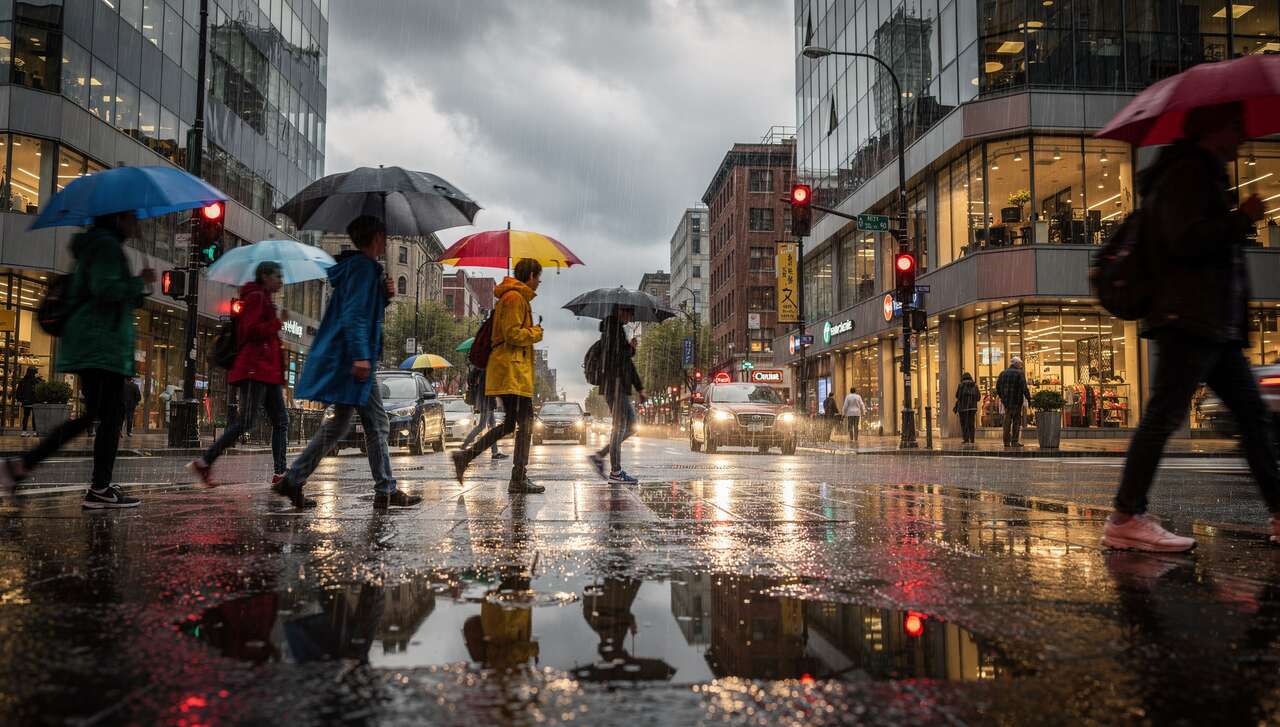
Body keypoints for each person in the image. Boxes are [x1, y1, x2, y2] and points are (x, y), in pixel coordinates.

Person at [1104, 102, 1280, 553]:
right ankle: (1126, 515)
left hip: (1210, 322)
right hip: (1190, 319)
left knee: (1252, 418)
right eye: (1235, 126)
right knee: (1166, 415)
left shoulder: (1197, 174)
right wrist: (1241, 219)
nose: (1241, 136)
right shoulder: (1187, 175)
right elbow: (1185, 241)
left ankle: (1279, 512)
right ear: (1212, 129)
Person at [0, 211, 153, 507]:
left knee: (98, 416)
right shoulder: (106, 246)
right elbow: (105, 290)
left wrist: (138, 287)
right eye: (134, 218)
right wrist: (137, 283)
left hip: (97, 345)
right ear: (119, 218)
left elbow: (112, 294)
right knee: (110, 416)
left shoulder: (101, 245)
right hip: (100, 346)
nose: (138, 224)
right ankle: (98, 488)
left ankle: (23, 467)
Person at [271, 215, 421, 511]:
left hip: (349, 356)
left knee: (343, 424)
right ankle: (384, 489)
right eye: (384, 237)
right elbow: (355, 315)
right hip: (355, 359)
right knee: (375, 423)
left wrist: (385, 296)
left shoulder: (359, 269)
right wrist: (361, 356)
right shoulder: (363, 269)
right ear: (377, 238)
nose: (386, 243)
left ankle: (295, 478)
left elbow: (364, 309)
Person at [187, 261, 291, 487]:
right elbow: (250, 331)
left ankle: (280, 472)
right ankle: (205, 461)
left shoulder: (264, 298)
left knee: (281, 421)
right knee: (246, 421)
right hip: (255, 369)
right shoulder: (255, 297)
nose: (281, 281)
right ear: (265, 276)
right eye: (277, 276)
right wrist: (277, 323)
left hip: (267, 372)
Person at [452, 258, 545, 494]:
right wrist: (535, 332)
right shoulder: (514, 298)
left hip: (510, 371)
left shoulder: (515, 297)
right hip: (510, 372)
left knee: (511, 424)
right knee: (525, 423)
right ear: (531, 275)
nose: (540, 282)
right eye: (538, 276)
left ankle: (466, 457)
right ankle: (518, 478)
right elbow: (512, 334)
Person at [588, 306, 645, 484]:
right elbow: (617, 359)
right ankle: (616, 472)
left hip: (619, 386)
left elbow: (626, 364)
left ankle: (600, 456)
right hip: (615, 386)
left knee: (632, 426)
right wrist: (631, 348)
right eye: (630, 313)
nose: (632, 317)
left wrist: (639, 387)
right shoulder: (612, 331)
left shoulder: (616, 331)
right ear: (621, 311)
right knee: (619, 427)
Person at [461, 364, 505, 460]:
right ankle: (465, 444)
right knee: (482, 426)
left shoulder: (482, 368)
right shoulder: (485, 368)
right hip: (486, 401)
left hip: (487, 401)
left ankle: (495, 452)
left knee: (492, 426)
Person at [995, 357, 1031, 448]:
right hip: (1016, 401)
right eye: (1020, 364)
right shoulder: (1020, 373)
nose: (1021, 366)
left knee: (1007, 421)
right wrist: (1029, 398)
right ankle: (1014, 441)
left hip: (1007, 402)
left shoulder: (1003, 373)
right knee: (1016, 422)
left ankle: (1006, 441)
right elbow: (1024, 388)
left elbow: (998, 387)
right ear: (1016, 364)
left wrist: (1002, 397)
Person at [953, 372, 980, 446]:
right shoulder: (975, 386)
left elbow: (957, 396)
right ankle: (972, 439)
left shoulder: (961, 385)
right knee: (971, 423)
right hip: (972, 408)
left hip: (963, 408)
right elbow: (978, 397)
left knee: (964, 424)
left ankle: (966, 439)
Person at [15, 367, 40, 437]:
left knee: (25, 416)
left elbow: (18, 392)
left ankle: (24, 431)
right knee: (34, 417)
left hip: (26, 402)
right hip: (34, 401)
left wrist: (20, 399)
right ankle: (35, 431)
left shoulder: (23, 381)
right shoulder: (36, 381)